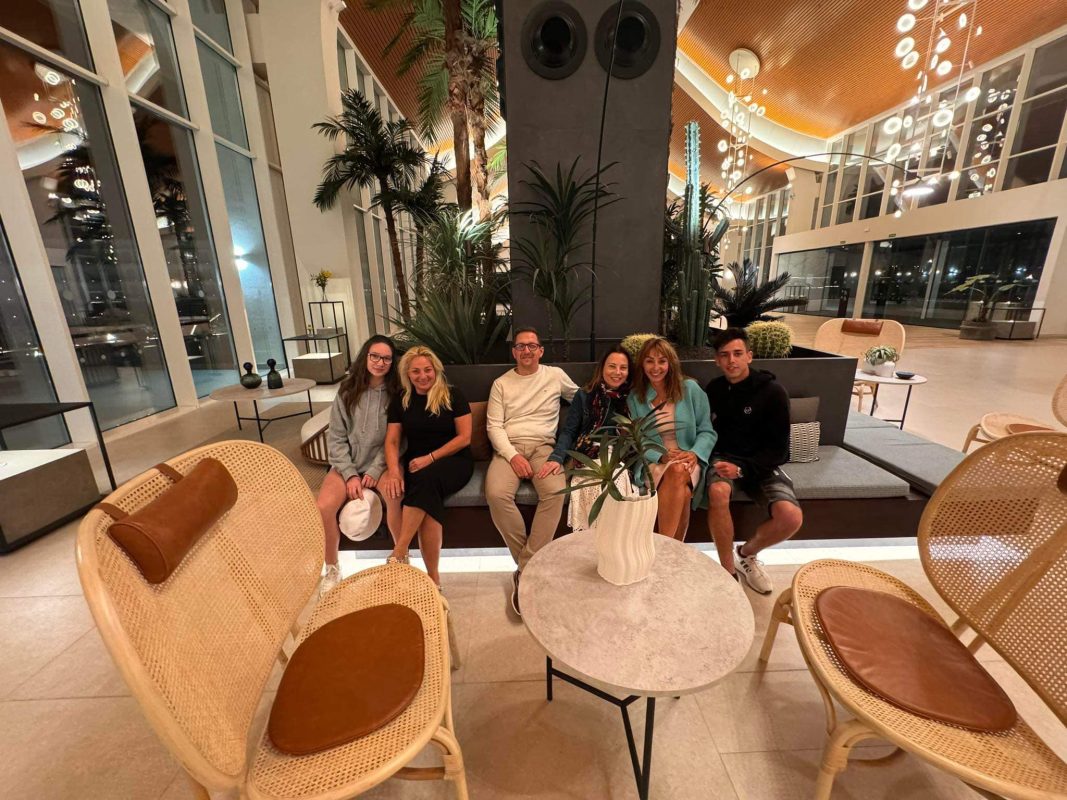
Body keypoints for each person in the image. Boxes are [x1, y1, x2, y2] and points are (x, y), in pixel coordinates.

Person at [486, 327, 578, 616]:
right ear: (514, 352)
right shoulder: (501, 383)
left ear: (541, 351)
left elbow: (582, 400)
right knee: (496, 494)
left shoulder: (555, 375)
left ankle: (525, 568)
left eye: (532, 346)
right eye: (521, 346)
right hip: (509, 447)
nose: (526, 350)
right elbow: (493, 426)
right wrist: (512, 456)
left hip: (544, 447)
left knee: (555, 492)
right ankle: (533, 566)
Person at [705, 327, 803, 594]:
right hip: (723, 458)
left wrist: (743, 468)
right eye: (724, 355)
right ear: (717, 360)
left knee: (791, 517)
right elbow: (704, 429)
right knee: (717, 491)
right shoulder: (714, 389)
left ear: (749, 356)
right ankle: (727, 572)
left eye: (738, 353)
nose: (731, 360)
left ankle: (746, 554)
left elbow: (780, 451)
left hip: (761, 463)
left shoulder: (773, 392)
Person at [380, 346, 473, 589]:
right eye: (416, 371)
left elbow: (464, 438)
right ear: (407, 374)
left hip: (455, 461)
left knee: (425, 479)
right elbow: (392, 441)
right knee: (428, 501)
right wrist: (394, 471)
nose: (423, 376)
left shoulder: (453, 395)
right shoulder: (401, 401)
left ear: (436, 370)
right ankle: (433, 580)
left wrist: (430, 458)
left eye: (428, 370)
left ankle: (399, 550)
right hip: (417, 465)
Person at [317, 335, 402, 595]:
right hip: (349, 463)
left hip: (383, 462)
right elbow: (336, 437)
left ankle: (400, 560)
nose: (380, 362)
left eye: (386, 358)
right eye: (375, 356)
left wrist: (376, 470)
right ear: (365, 356)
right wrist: (350, 474)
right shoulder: (346, 391)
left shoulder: (397, 394)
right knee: (323, 506)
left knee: (394, 495)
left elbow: (397, 439)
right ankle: (332, 568)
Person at [628, 337, 716, 541]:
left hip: (688, 459)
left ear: (671, 363)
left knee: (678, 470)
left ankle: (662, 547)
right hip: (654, 461)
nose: (655, 367)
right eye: (649, 361)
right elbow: (637, 439)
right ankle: (671, 549)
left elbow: (707, 431)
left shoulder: (690, 389)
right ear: (642, 364)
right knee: (681, 488)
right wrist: (661, 456)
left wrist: (694, 453)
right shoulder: (635, 398)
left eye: (662, 361)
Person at [543, 346, 633, 529]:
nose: (617, 372)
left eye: (623, 368)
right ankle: (593, 537)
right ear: (602, 368)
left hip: (619, 455)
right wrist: (557, 457)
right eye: (612, 366)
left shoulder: (633, 398)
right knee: (594, 481)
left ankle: (612, 537)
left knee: (613, 479)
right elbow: (569, 431)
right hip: (586, 454)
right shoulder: (585, 395)